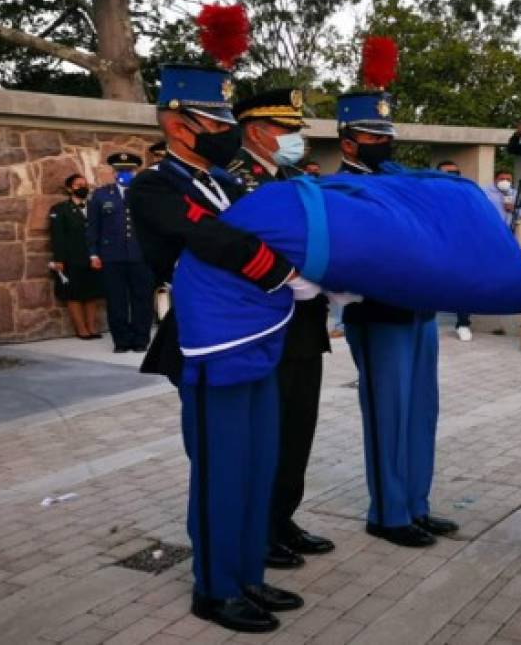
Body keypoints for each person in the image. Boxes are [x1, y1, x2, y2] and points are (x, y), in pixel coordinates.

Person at [127, 63, 306, 633]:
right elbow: (210, 237)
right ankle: (215, 586)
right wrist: (281, 270)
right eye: (216, 120)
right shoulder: (157, 184)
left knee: (258, 461)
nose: (226, 130)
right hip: (204, 342)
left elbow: (267, 226)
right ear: (179, 126)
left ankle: (248, 572)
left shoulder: (227, 182)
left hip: (255, 335)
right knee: (221, 466)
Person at [337, 89, 458, 547]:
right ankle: (387, 513)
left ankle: (416, 504)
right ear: (349, 142)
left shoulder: (399, 180)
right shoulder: (341, 186)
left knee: (421, 410)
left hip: (419, 310)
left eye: (386, 134)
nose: (383, 143)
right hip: (378, 313)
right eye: (373, 135)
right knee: (389, 413)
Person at [227, 88, 336, 571]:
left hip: (305, 326)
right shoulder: (233, 180)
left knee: (298, 431)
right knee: (265, 434)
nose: (296, 140)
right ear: (256, 131)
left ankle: (284, 516)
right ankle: (260, 525)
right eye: (287, 131)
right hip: (263, 326)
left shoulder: (294, 177)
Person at [87, 152, 154, 353]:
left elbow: (154, 226)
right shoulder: (101, 195)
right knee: (116, 301)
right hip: (111, 256)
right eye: (120, 170)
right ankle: (122, 341)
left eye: (128, 170)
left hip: (141, 255)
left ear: (135, 171)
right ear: (114, 172)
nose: (124, 173)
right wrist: (93, 253)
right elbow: (92, 227)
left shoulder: (146, 194)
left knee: (142, 299)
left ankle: (141, 339)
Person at [49, 174, 104, 339]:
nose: (83, 187)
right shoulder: (60, 209)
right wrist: (59, 259)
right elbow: (57, 236)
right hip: (72, 259)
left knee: (92, 294)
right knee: (74, 294)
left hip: (93, 258)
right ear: (69, 188)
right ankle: (81, 329)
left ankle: (92, 327)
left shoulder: (94, 207)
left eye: (85, 184)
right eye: (78, 185)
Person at [435, 160, 474, 342]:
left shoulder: (466, 193)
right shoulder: (428, 194)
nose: (452, 176)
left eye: (455, 173)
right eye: (447, 173)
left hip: (459, 245)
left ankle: (463, 323)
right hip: (433, 244)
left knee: (462, 285)